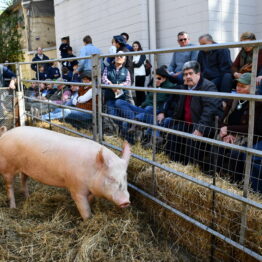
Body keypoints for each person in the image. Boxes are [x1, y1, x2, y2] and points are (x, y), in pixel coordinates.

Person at [164, 61, 223, 167]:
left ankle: (190, 169)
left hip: (204, 125)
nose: (188, 77)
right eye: (185, 74)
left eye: (190, 73)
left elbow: (209, 112)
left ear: (198, 74)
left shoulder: (208, 87)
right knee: (173, 134)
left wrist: (200, 129)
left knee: (193, 141)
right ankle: (174, 166)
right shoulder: (184, 87)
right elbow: (178, 110)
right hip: (188, 124)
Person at [218, 73, 262, 192]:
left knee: (235, 153)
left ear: (252, 87)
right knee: (216, 146)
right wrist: (226, 133)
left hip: (246, 136)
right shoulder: (233, 99)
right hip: (228, 133)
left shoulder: (257, 103)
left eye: (243, 86)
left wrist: (230, 130)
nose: (238, 88)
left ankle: (235, 184)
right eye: (238, 85)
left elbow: (252, 127)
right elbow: (222, 119)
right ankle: (215, 176)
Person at [116, 67, 176, 144]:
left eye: (159, 78)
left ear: (164, 78)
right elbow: (147, 99)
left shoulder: (170, 87)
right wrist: (141, 105)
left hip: (154, 110)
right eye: (154, 78)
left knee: (147, 109)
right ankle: (134, 121)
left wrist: (156, 88)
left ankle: (134, 125)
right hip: (143, 109)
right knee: (119, 102)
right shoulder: (155, 86)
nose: (156, 80)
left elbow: (161, 100)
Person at [102, 51, 132, 117]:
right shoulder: (107, 68)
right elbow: (104, 79)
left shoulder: (126, 70)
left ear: (124, 60)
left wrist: (119, 86)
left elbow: (128, 82)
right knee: (113, 115)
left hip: (122, 98)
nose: (118, 57)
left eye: (121, 56)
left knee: (123, 115)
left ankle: (122, 127)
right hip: (110, 97)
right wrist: (111, 86)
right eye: (117, 56)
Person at [132, 41, 146, 106]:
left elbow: (139, 64)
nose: (135, 47)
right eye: (134, 46)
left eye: (136, 46)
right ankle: (138, 104)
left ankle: (143, 104)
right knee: (137, 90)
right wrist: (134, 63)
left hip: (141, 74)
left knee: (141, 90)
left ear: (139, 46)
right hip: (135, 74)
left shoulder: (142, 53)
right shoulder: (132, 54)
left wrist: (133, 63)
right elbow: (131, 64)